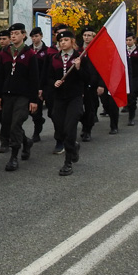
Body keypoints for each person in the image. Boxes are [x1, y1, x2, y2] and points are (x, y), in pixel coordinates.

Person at [0, 23, 39, 170]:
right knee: (8, 123)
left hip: (23, 95)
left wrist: (34, 99)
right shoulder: (5, 53)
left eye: (16, 33)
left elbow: (34, 78)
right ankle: (26, 142)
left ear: (24, 35)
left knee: (16, 123)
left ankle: (14, 156)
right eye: (11, 34)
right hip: (7, 94)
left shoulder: (30, 54)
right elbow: (0, 75)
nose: (13, 36)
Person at [49, 30, 86, 176]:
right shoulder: (54, 58)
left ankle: (68, 162)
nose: (63, 43)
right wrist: (54, 82)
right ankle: (73, 146)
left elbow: (87, 78)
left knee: (70, 128)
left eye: (65, 40)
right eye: (60, 41)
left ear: (72, 41)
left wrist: (78, 68)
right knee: (61, 127)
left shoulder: (80, 57)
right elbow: (48, 77)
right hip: (59, 98)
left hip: (74, 97)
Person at [28, 27, 50, 142]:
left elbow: (47, 70)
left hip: (43, 84)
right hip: (31, 84)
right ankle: (39, 121)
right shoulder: (28, 51)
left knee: (39, 108)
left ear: (41, 36)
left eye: (36, 36)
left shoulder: (47, 51)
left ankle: (36, 132)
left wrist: (42, 87)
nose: (34, 39)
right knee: (31, 110)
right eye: (32, 37)